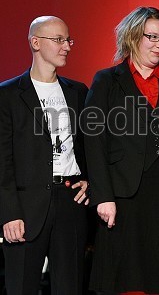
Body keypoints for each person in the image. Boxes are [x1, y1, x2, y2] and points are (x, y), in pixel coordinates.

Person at [85, 6, 159, 294]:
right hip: (124, 195)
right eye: (152, 37)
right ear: (134, 36)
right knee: (128, 280)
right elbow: (94, 141)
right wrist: (103, 197)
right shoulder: (107, 80)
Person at [0, 16, 89, 295]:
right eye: (58, 40)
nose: (66, 47)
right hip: (26, 208)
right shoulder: (8, 94)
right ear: (35, 42)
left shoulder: (78, 91)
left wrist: (89, 180)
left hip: (69, 201)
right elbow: (3, 160)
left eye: (68, 40)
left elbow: (88, 146)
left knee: (70, 287)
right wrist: (9, 213)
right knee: (22, 287)